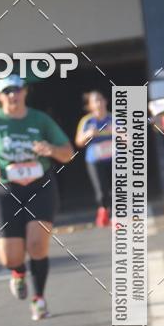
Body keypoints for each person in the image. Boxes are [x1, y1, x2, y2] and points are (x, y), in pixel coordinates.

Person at [0, 75, 73, 319]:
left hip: (39, 185)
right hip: (5, 190)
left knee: (37, 245)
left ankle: (39, 299)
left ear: (25, 92)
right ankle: (18, 272)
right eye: (7, 91)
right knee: (9, 256)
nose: (12, 95)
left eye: (17, 90)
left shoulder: (39, 119)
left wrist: (51, 150)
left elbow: (67, 153)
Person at [75, 90, 113, 226]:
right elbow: (78, 142)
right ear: (90, 106)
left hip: (114, 158)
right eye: (95, 101)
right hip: (95, 160)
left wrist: (118, 132)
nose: (99, 103)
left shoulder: (113, 118)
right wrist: (88, 135)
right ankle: (103, 210)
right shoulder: (87, 121)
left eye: (100, 99)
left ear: (105, 101)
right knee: (101, 191)